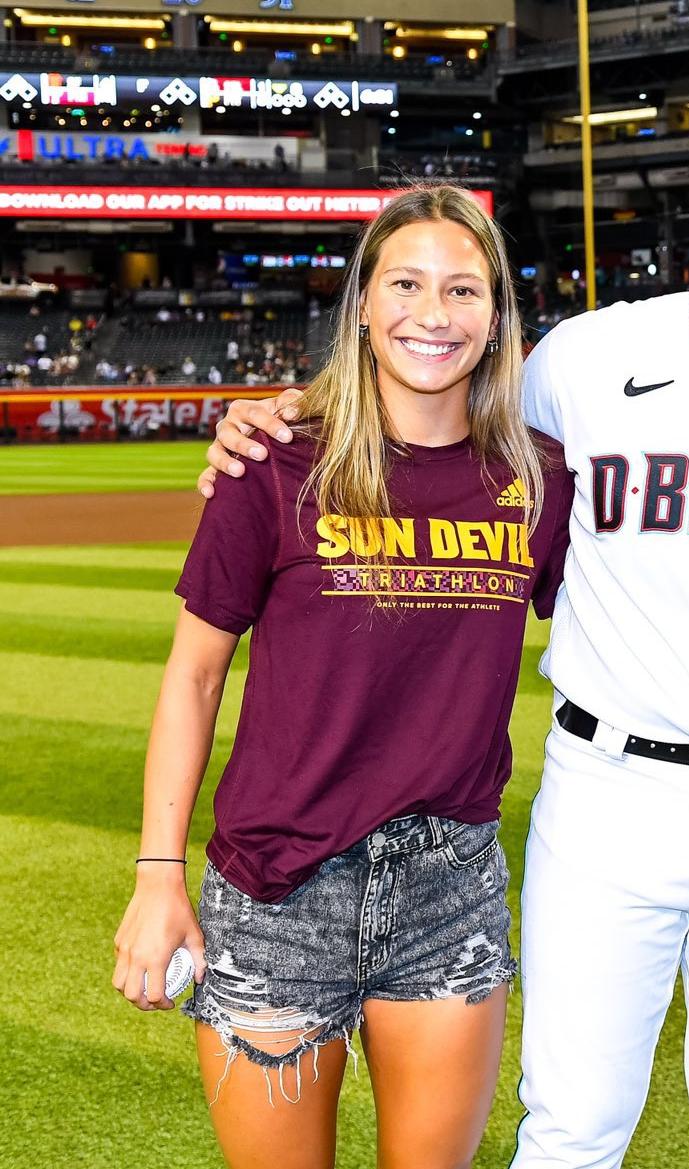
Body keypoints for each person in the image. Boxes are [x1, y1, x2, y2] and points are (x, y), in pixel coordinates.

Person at [200, 117, 689, 1169]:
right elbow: (431, 394)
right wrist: (290, 414)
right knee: (573, 1124)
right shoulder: (587, 359)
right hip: (609, 793)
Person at [112, 186, 573, 1169]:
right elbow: (194, 676)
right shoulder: (275, 463)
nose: (434, 313)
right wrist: (158, 874)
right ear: (363, 304)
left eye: (463, 288)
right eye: (405, 283)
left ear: (496, 318)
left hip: (446, 891)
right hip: (275, 895)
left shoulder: (538, 480)